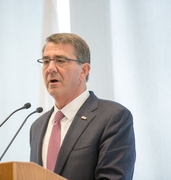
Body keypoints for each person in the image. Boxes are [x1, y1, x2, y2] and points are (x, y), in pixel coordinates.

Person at [30, 33, 136, 180]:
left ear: (84, 70)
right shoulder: (37, 126)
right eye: (46, 61)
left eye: (60, 60)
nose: (50, 68)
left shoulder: (113, 117)